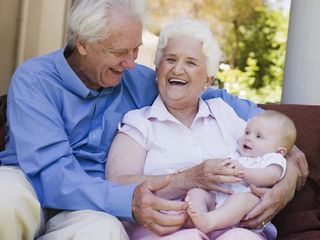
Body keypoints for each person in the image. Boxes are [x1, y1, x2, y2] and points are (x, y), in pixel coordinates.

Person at [0, 1, 307, 240]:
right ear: (83, 43)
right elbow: (52, 175)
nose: (132, 63)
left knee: (103, 231)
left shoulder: (131, 76)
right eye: (120, 52)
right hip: (32, 185)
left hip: (90, 205)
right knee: (4, 197)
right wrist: (130, 199)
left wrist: (288, 159)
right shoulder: (35, 81)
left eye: (136, 51)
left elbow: (215, 97)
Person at [106, 17, 304, 240]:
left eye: (191, 63)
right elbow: (116, 185)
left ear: (207, 80)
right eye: (170, 59)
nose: (177, 69)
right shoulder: (139, 123)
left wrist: (284, 183)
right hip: (166, 231)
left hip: (233, 227)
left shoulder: (224, 113)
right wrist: (187, 179)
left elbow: (271, 150)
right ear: (158, 69)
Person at [186, 110, 297, 235]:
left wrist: (244, 172)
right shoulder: (237, 153)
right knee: (196, 193)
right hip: (220, 198)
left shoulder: (273, 159)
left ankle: (209, 222)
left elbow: (269, 177)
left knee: (243, 200)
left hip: (247, 205)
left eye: (258, 136)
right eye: (247, 132)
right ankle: (197, 216)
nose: (248, 137)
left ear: (280, 151)